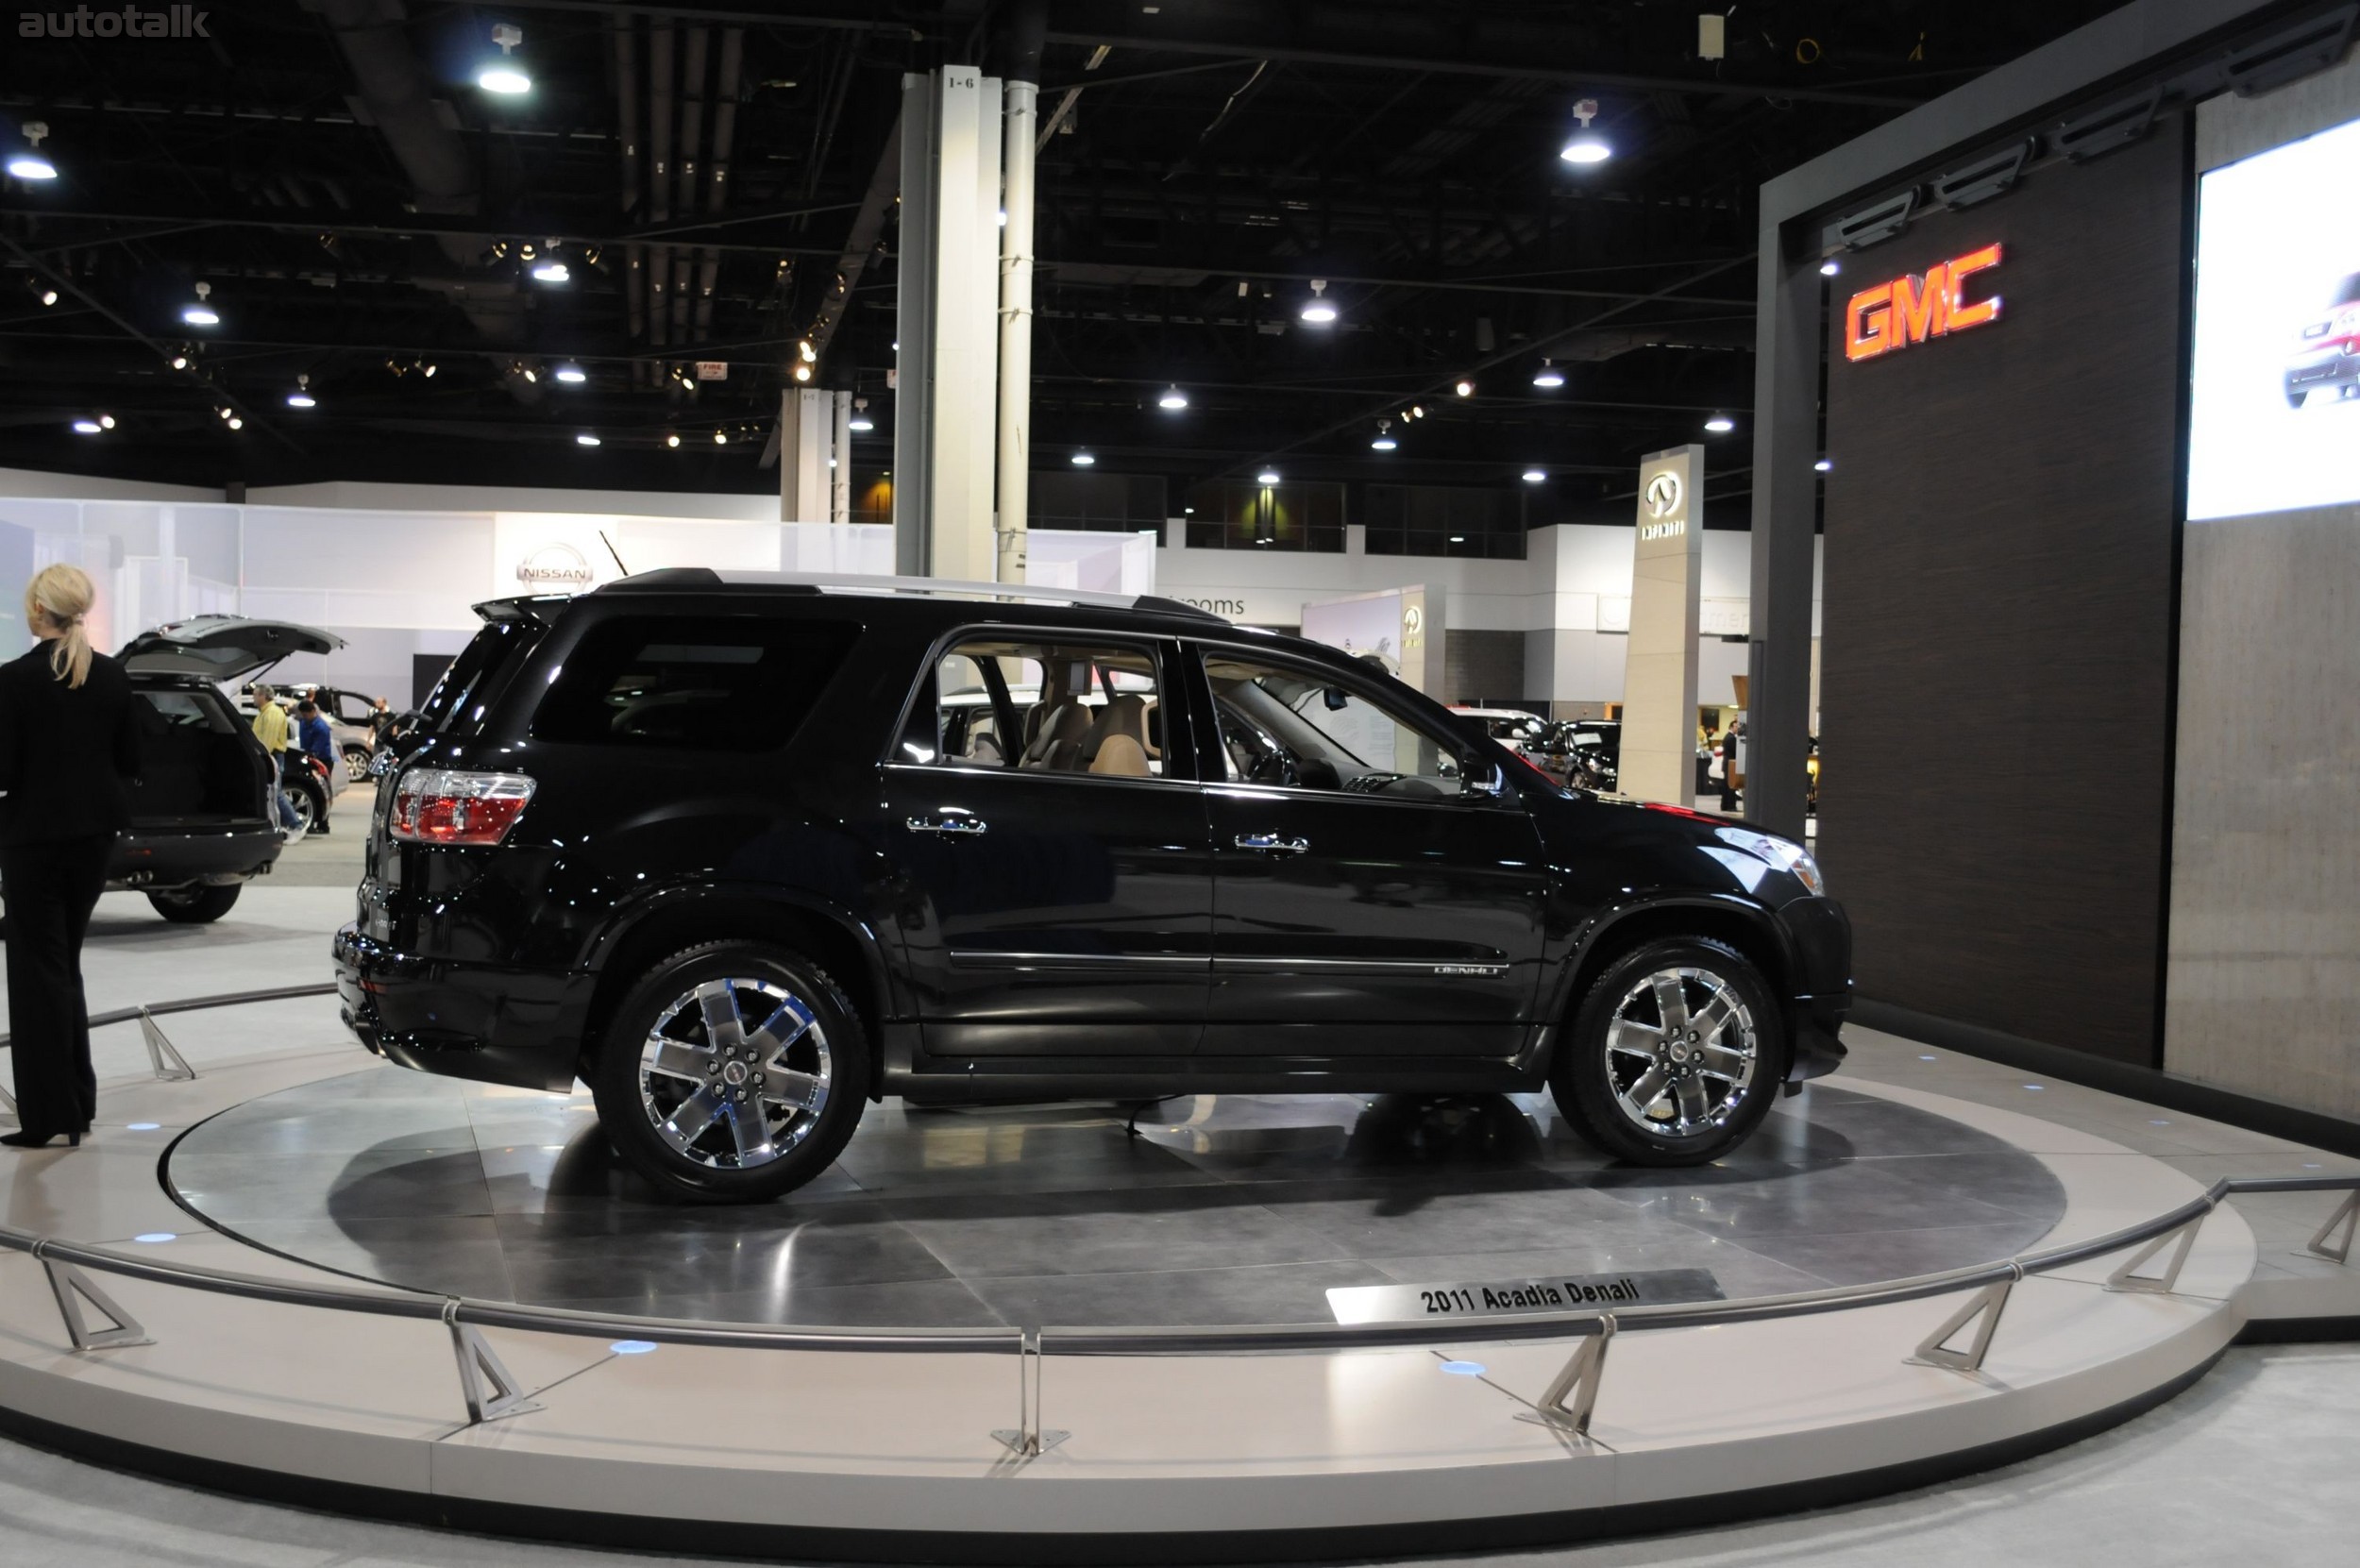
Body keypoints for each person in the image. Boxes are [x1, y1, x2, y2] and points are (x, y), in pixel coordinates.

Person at [0, 565, 143, 1148]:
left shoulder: (13, 680)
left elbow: (4, 770)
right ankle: (74, 1105)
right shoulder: (112, 678)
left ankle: (48, 1116)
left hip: (31, 841)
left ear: (39, 609)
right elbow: (129, 763)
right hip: (93, 841)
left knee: (36, 973)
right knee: (63, 966)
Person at [249, 683, 300, 834]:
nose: (253, 698)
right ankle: (284, 825)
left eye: (255, 695)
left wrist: (260, 759)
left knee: (275, 793)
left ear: (263, 696)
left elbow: (267, 741)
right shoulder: (265, 712)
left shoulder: (271, 713)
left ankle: (295, 825)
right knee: (273, 793)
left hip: (272, 757)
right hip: (271, 756)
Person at [295, 700, 335, 836]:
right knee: (311, 790)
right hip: (310, 758)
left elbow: (317, 749)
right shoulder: (303, 722)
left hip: (322, 761)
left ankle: (324, 825)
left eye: (307, 715)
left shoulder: (321, 727)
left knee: (323, 791)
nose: (305, 717)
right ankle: (311, 822)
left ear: (313, 712)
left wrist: (310, 758)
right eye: (303, 715)